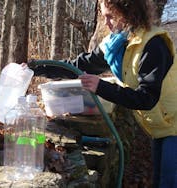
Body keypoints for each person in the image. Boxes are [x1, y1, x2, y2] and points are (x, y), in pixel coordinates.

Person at [28, 0, 177, 187]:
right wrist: (35, 68)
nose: (106, 23)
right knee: (161, 180)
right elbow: (77, 66)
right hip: (161, 125)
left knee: (169, 182)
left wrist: (101, 87)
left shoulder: (153, 45)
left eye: (111, 16)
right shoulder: (116, 44)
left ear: (128, 13)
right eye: (104, 16)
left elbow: (147, 98)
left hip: (174, 122)